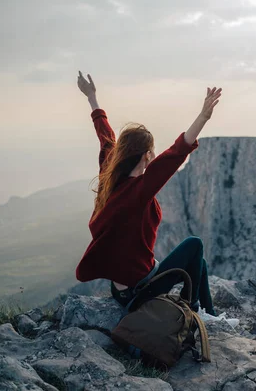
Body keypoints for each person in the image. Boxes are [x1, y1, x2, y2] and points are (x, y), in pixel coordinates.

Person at [75, 71, 221, 315]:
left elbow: (105, 136)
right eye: (151, 151)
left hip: (120, 288)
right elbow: (176, 152)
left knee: (199, 263)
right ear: (146, 155)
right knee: (194, 245)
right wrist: (203, 117)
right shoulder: (140, 190)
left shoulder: (109, 177)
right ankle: (191, 312)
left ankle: (209, 315)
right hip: (141, 289)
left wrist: (92, 98)